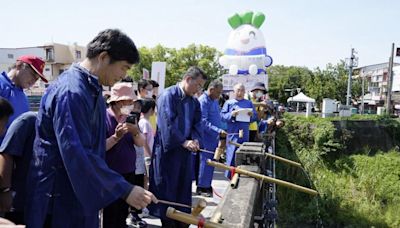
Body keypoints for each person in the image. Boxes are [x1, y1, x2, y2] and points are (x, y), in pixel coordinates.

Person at [24, 29, 157, 228]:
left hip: (78, 195)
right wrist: (123, 188)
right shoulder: (72, 91)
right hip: (59, 198)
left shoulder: (90, 89)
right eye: (123, 68)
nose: (122, 76)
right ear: (103, 57)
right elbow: (77, 152)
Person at [149, 66, 207, 228]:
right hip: (169, 153)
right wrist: (183, 141)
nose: (199, 90)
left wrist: (195, 140)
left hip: (185, 154)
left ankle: (182, 223)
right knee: (168, 192)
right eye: (198, 85)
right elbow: (167, 124)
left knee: (183, 191)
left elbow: (197, 124)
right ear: (188, 79)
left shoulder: (194, 102)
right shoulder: (168, 96)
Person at [103, 82, 146, 228]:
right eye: (129, 102)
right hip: (110, 173)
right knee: (110, 212)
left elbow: (140, 143)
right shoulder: (103, 118)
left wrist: (135, 131)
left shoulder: (130, 118)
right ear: (118, 101)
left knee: (122, 211)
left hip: (129, 171)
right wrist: (116, 137)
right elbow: (100, 147)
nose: (131, 105)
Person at [0, 55, 47, 144]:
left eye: (37, 79)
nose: (34, 81)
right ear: (19, 65)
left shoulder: (23, 97)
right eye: (33, 74)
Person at [0, 112, 37, 224]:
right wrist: (4, 191)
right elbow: (6, 155)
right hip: (20, 203)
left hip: (51, 207)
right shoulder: (29, 121)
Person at [196, 80, 226, 197]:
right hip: (206, 136)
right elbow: (203, 122)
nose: (219, 95)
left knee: (211, 162)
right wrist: (218, 130)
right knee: (206, 162)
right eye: (218, 93)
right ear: (211, 90)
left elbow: (217, 117)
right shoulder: (203, 101)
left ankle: (206, 184)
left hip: (213, 137)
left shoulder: (214, 100)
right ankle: (202, 186)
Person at [221, 83, 257, 178]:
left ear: (245, 92)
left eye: (242, 90)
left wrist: (251, 115)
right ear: (234, 92)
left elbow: (255, 117)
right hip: (233, 132)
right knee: (231, 155)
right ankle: (229, 177)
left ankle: (241, 176)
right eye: (238, 90)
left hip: (245, 132)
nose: (240, 92)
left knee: (243, 154)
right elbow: (223, 117)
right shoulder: (228, 103)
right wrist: (232, 114)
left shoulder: (249, 103)